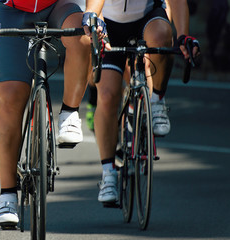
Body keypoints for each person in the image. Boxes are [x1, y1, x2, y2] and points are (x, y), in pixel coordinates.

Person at [0, 0, 105, 227]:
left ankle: (70, 112)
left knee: (83, 37)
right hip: (12, 10)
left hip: (59, 6)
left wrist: (92, 13)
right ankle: (7, 194)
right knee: (10, 95)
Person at [87, 0, 200, 204]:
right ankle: (108, 173)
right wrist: (95, 23)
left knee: (162, 36)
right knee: (107, 95)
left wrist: (183, 36)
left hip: (146, 18)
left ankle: (156, 101)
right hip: (109, 23)